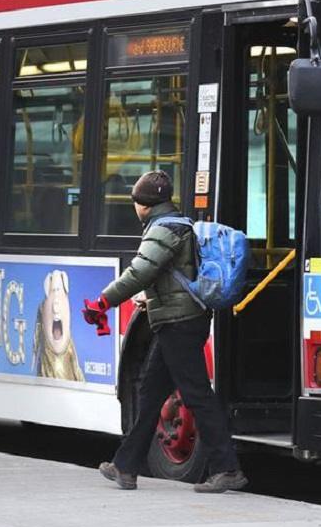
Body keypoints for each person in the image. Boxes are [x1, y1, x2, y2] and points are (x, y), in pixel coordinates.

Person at [83, 170, 247, 494]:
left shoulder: (162, 228)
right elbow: (165, 276)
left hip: (180, 324)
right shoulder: (176, 223)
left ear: (141, 205)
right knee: (150, 393)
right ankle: (126, 466)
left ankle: (227, 469)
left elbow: (141, 271)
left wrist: (104, 300)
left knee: (197, 393)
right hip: (177, 320)